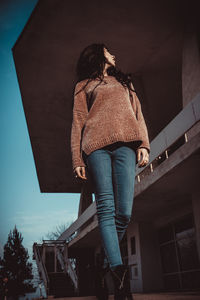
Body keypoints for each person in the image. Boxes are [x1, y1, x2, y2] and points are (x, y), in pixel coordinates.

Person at [71, 43, 150, 300]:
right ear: (98, 56)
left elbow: (138, 115)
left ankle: (102, 268)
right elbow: (78, 123)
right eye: (108, 51)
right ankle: (120, 283)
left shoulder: (125, 83)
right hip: (96, 149)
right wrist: (77, 159)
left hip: (127, 145)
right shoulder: (83, 86)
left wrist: (145, 145)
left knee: (124, 212)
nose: (114, 55)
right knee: (106, 208)